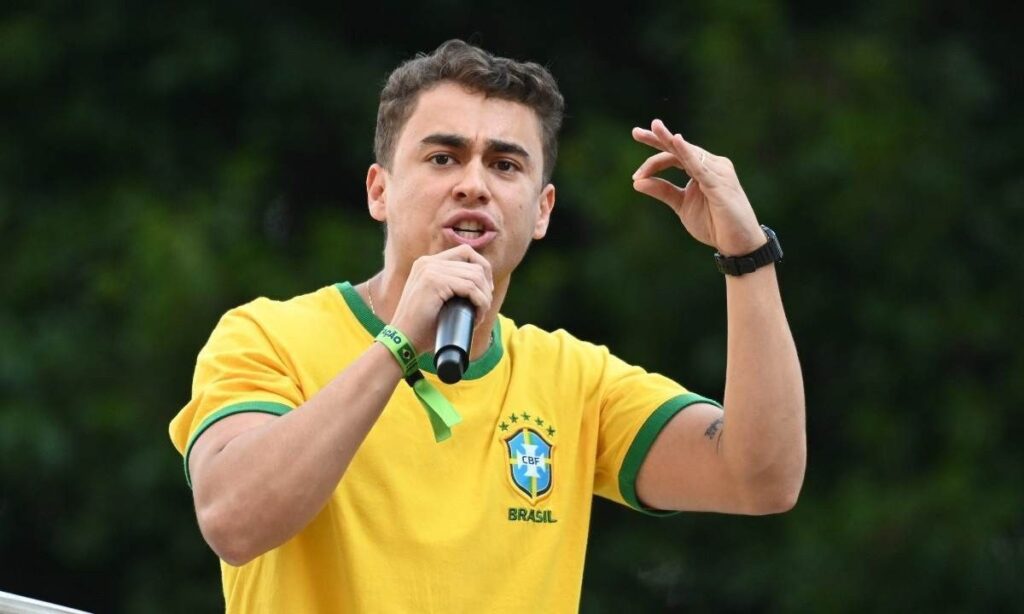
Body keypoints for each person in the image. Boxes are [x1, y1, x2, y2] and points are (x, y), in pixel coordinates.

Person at [169, 39, 805, 613]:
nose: (473, 184)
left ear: (542, 211)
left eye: (505, 165)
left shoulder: (575, 380)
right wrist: (397, 346)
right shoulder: (267, 336)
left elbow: (762, 478)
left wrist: (747, 256)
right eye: (443, 158)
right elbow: (233, 521)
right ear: (379, 191)